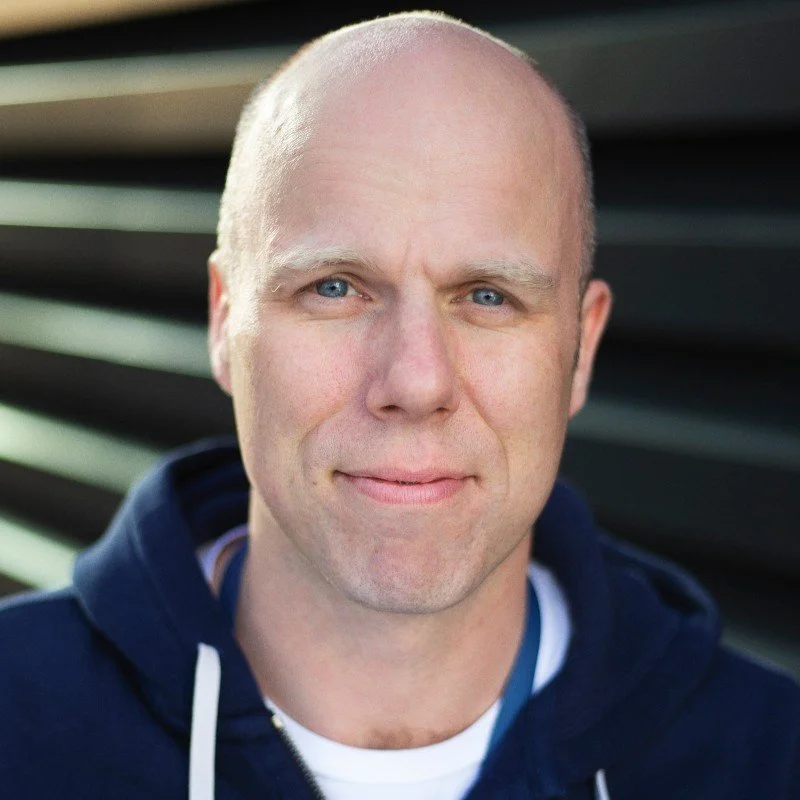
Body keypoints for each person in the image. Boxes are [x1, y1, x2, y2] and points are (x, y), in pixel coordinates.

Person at [0, 10, 798, 800]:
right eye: (335, 288)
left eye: (487, 296)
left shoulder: (767, 759)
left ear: (581, 348)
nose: (416, 383)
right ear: (223, 320)